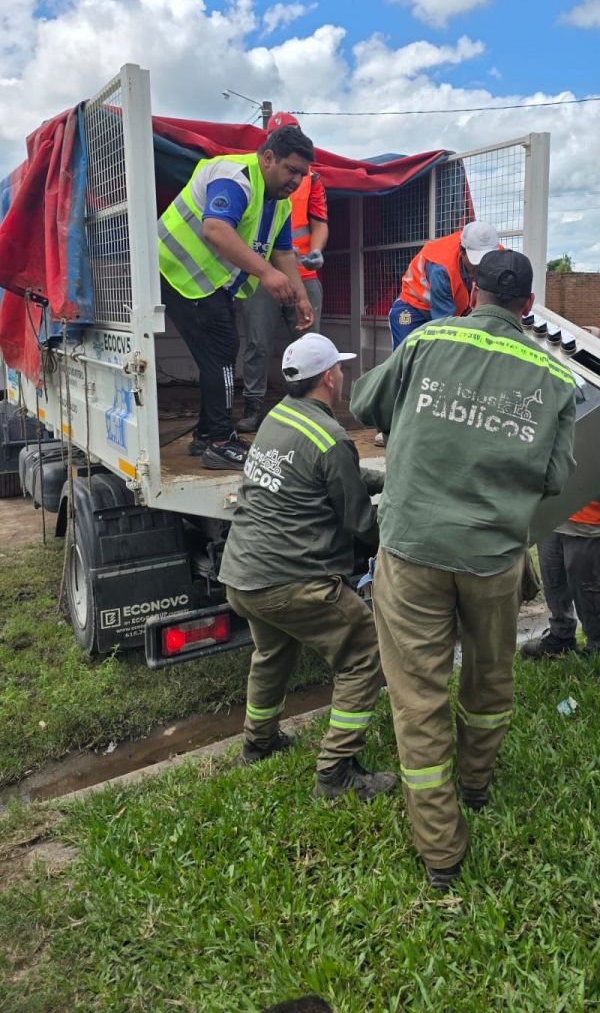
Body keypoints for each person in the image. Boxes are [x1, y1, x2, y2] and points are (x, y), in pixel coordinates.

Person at [350, 249, 576, 889]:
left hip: (412, 548)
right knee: (489, 674)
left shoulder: (427, 340)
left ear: (472, 292)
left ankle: (441, 853)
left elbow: (367, 402)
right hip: (493, 556)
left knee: (418, 693)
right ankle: (474, 784)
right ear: (527, 305)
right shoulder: (554, 376)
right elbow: (557, 476)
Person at [218, 333, 397, 801]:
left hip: (243, 575)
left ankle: (259, 743)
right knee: (363, 655)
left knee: (272, 654)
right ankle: (336, 772)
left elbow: (314, 473)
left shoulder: (279, 417)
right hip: (292, 581)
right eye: (339, 368)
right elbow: (360, 521)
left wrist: (380, 477)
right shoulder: (333, 437)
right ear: (329, 378)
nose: (342, 375)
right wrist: (403, 523)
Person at [158, 125, 315, 470]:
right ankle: (219, 440)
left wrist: (301, 298)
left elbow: (285, 253)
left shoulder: (280, 204)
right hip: (179, 270)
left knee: (219, 354)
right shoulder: (236, 177)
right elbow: (215, 229)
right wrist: (266, 274)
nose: (296, 180)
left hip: (209, 283)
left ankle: (206, 436)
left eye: (302, 174)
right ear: (269, 157)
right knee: (222, 353)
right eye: (291, 170)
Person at [236, 112, 329, 433]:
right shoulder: (253, 175)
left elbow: (319, 221)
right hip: (263, 274)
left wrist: (316, 250)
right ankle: (252, 407)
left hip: (302, 274)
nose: (294, 177)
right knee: (258, 342)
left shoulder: (311, 178)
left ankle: (310, 407)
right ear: (270, 148)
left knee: (310, 343)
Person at [520, 483, 600, 661]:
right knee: (553, 581)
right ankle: (561, 635)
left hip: (594, 514)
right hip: (553, 508)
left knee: (588, 588)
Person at [387, 220, 501, 348]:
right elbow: (444, 324)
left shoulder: (496, 252)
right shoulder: (441, 268)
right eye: (476, 261)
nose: (480, 266)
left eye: (485, 260)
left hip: (451, 307)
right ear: (462, 251)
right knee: (407, 353)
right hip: (413, 307)